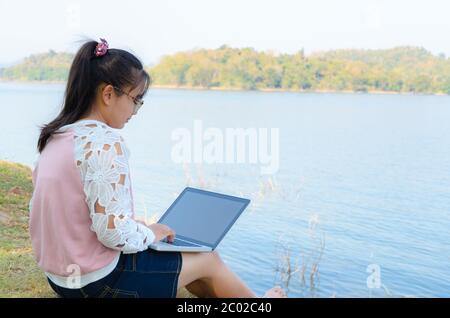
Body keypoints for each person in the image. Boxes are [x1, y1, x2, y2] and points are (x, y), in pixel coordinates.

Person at [29, 38, 287, 298]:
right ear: (108, 94)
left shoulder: (57, 137)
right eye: (136, 99)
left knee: (187, 259)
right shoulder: (103, 142)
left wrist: (136, 227)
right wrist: (149, 232)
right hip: (98, 283)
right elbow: (112, 235)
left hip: (63, 281)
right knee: (209, 259)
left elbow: (73, 215)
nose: (136, 110)